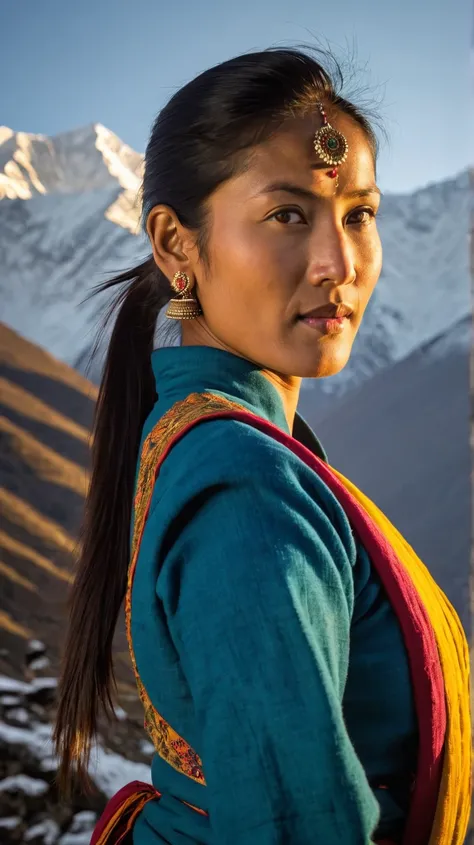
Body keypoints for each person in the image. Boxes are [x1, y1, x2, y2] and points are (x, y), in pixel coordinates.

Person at [53, 47, 471, 845]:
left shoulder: (219, 444)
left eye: (359, 214)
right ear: (177, 247)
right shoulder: (245, 490)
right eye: (288, 215)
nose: (338, 264)